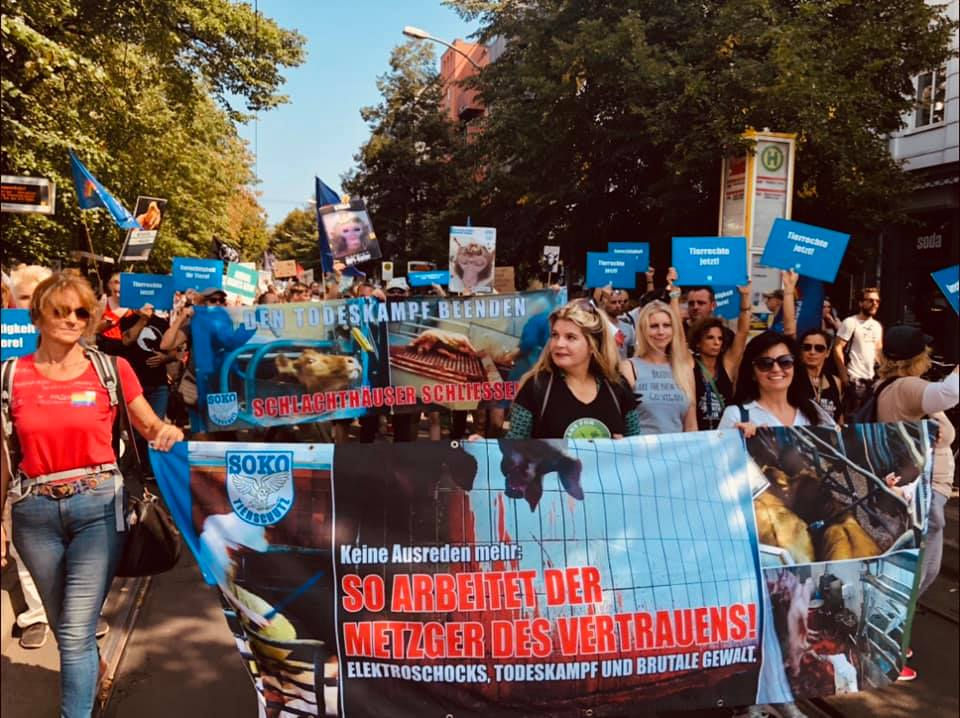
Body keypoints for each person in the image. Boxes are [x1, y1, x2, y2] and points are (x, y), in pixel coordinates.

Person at [0, 272, 182, 718]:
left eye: (82, 312)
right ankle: (92, 668)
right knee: (64, 623)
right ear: (37, 316)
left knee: (75, 628)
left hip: (97, 508)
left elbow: (150, 425)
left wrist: (168, 432)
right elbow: (2, 457)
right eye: (60, 311)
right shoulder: (10, 375)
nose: (72, 320)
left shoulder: (110, 369)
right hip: (33, 515)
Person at [874, 325, 958, 681]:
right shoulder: (908, 387)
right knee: (918, 574)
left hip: (926, 493)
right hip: (923, 495)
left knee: (921, 572)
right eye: (925, 352)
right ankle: (885, 647)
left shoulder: (900, 387)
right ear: (916, 357)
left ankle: (891, 634)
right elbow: (950, 394)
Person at [505, 299, 639, 439]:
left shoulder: (617, 385)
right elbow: (514, 445)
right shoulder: (535, 386)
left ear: (593, 345)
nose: (559, 344)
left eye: (570, 337)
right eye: (555, 335)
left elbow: (636, 443)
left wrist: (624, 447)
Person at [719, 331, 834, 433]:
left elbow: (837, 444)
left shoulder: (812, 410)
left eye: (785, 361)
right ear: (752, 373)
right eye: (765, 363)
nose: (776, 369)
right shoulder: (736, 415)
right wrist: (739, 440)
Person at [619, 300, 697, 434]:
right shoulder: (628, 368)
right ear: (643, 330)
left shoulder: (684, 369)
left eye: (666, 325)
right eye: (654, 326)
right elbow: (621, 419)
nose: (661, 332)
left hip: (679, 446)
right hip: (640, 445)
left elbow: (691, 425)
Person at [119, 303, 176, 471]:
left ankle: (153, 468)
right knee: (136, 430)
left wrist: (165, 358)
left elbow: (174, 352)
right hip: (134, 385)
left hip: (158, 385)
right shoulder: (127, 320)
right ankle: (138, 465)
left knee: (155, 427)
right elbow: (127, 340)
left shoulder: (162, 323)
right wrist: (143, 320)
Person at [688, 284, 752, 429]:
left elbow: (742, 332)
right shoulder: (690, 364)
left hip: (725, 433)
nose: (716, 342)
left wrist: (745, 296)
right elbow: (677, 335)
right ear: (698, 342)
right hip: (696, 434)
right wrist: (674, 297)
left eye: (720, 338)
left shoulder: (727, 365)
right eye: (710, 338)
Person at [834, 287, 883, 412]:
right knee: (853, 416)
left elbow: (878, 351)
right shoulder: (850, 322)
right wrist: (844, 377)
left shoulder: (877, 326)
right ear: (861, 303)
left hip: (872, 380)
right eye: (870, 300)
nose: (875, 304)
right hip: (854, 378)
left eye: (877, 301)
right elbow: (837, 348)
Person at [797, 327, 844, 423]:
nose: (812, 352)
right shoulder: (792, 380)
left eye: (819, 348)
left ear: (827, 353)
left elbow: (839, 416)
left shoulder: (835, 381)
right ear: (801, 352)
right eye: (807, 347)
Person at [95, 273, 131, 356]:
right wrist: (107, 323)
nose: (117, 295)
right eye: (115, 291)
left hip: (126, 348)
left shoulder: (133, 305)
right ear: (110, 287)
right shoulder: (103, 302)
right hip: (104, 345)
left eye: (121, 292)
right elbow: (94, 327)